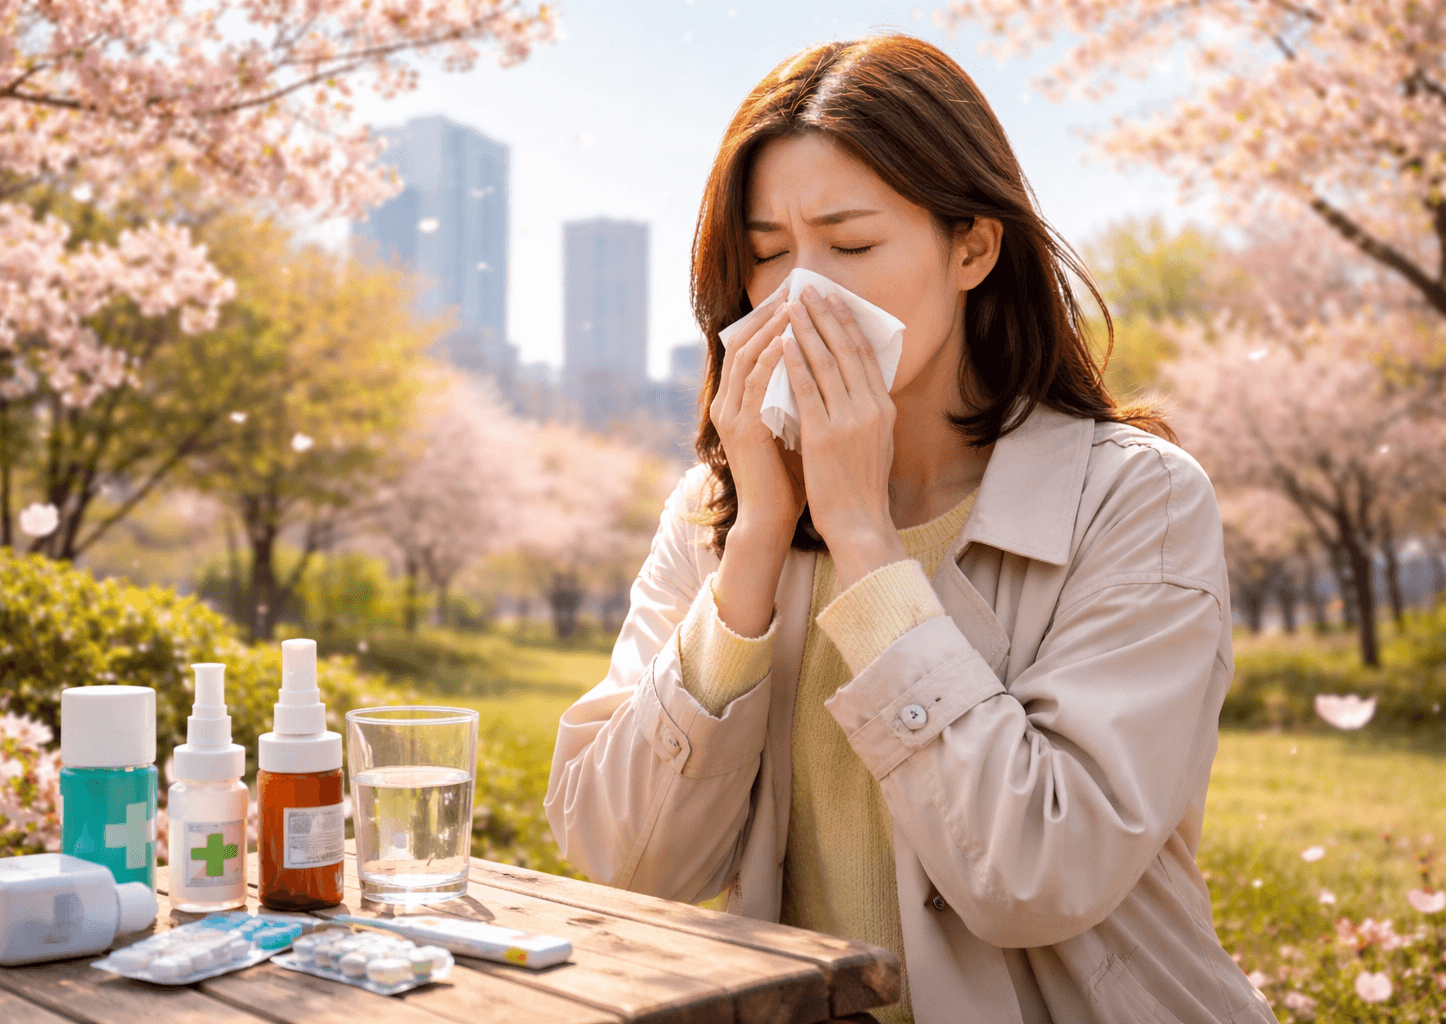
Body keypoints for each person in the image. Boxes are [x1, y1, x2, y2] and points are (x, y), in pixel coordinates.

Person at [545, 34, 1275, 1024]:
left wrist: (863, 535)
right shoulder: (719, 510)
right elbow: (625, 862)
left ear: (972, 247)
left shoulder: (1136, 501)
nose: (804, 296)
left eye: (850, 246)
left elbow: (1036, 873)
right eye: (767, 254)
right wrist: (760, 537)